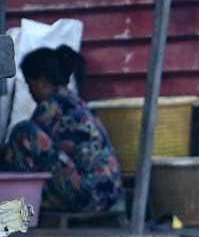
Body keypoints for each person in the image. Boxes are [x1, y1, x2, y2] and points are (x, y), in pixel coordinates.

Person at [2, 48, 123, 216]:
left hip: (88, 194)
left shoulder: (52, 108)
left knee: (23, 132)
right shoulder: (73, 101)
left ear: (42, 81)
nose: (30, 93)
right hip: (109, 195)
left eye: (30, 87)